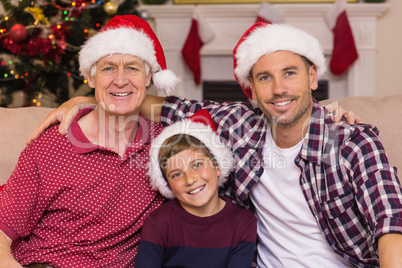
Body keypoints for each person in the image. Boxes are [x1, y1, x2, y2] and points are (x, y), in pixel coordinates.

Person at [25, 23, 402, 267]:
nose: (279, 89)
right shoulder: (241, 125)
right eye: (265, 78)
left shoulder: (352, 141)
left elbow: (391, 224)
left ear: (312, 77)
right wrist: (84, 101)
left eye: (290, 74)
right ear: (251, 89)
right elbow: (152, 103)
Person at [0, 15, 180, 267]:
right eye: (108, 68)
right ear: (91, 78)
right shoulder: (51, 146)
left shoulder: (166, 144)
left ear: (148, 77)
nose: (120, 80)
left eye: (132, 68)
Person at [134, 109, 257, 268]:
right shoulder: (159, 222)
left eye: (197, 165)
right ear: (167, 185)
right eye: (177, 174)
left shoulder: (243, 222)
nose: (190, 179)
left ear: (217, 166)